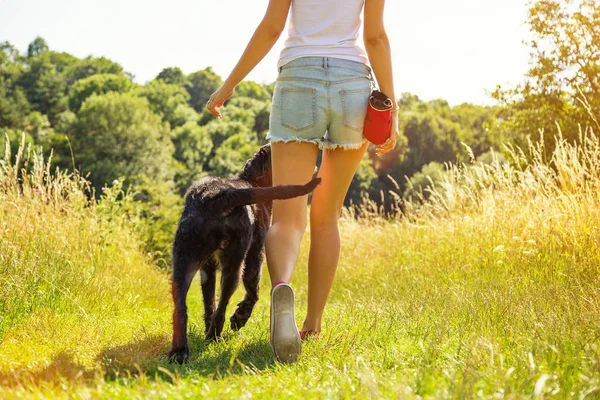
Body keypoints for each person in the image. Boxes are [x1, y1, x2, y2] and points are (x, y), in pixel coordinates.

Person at [206, 0, 398, 363]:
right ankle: (312, 322)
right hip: (352, 86)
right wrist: (391, 104)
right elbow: (375, 37)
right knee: (326, 218)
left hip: (298, 78)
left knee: (287, 218)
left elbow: (271, 27)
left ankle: (282, 289)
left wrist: (230, 84)